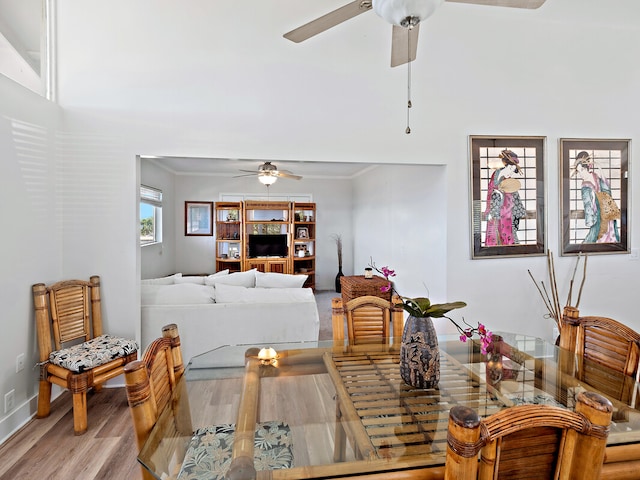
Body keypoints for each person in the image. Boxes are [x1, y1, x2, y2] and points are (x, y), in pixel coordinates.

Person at [572, 151, 619, 243]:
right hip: (601, 214)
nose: (580, 174)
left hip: (605, 212)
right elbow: (589, 204)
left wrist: (590, 219)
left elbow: (588, 204)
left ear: (586, 168)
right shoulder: (589, 182)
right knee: (600, 237)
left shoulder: (593, 179)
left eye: (581, 170)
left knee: (605, 236)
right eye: (578, 171)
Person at [484, 149, 527, 246]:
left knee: (510, 232)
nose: (512, 172)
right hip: (499, 209)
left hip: (509, 210)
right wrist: (492, 211)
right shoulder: (496, 177)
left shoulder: (508, 181)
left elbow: (514, 196)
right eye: (511, 168)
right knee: (496, 232)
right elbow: (493, 194)